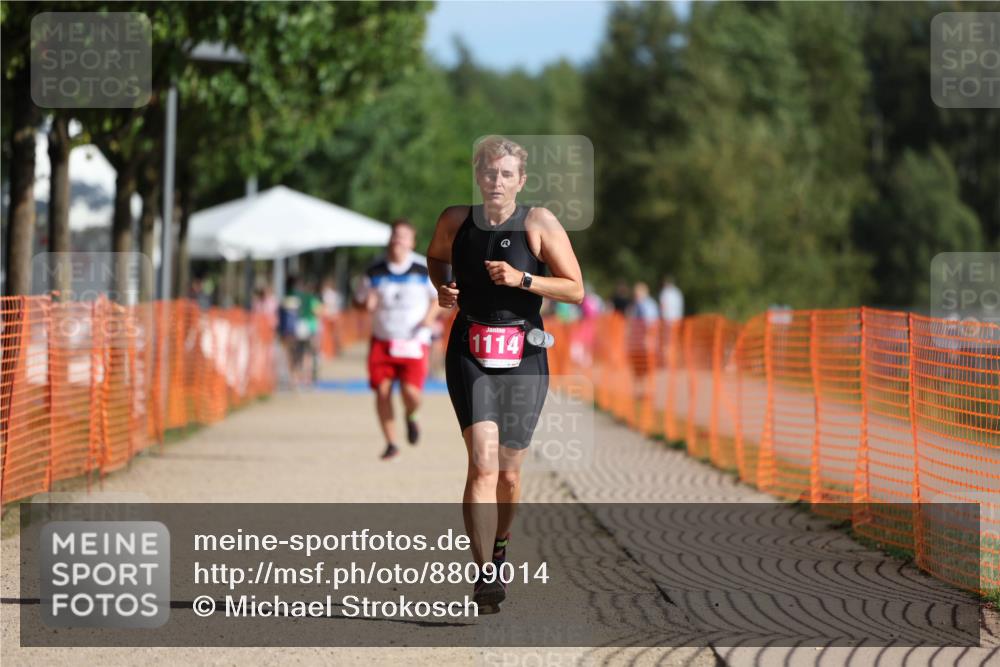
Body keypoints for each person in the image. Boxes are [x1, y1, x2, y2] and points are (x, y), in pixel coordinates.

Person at [426, 135, 584, 613]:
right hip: (469, 351)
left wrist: (524, 279)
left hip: (524, 358)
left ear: (522, 180)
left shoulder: (538, 223)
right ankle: (484, 574)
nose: (497, 181)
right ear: (478, 176)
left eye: (507, 174)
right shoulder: (455, 221)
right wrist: (443, 287)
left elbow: (576, 289)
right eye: (490, 173)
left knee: (509, 478)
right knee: (482, 464)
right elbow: (436, 258)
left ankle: (500, 547)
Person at [357, 219, 440, 461]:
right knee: (382, 392)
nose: (398, 240)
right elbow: (360, 300)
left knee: (411, 393)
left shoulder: (423, 269)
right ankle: (391, 442)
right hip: (383, 340)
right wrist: (366, 303)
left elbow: (440, 298)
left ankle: (411, 416)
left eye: (404, 236)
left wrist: (429, 318)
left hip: (414, 341)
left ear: (412, 242)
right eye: (395, 235)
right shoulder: (374, 271)